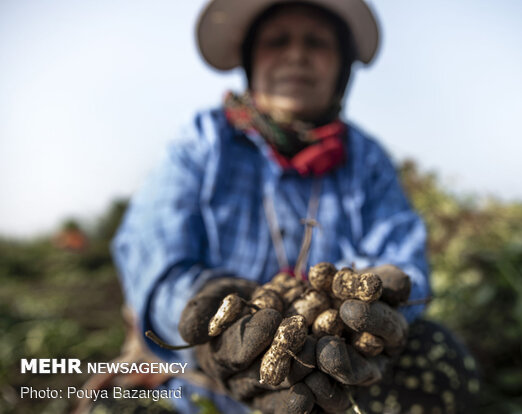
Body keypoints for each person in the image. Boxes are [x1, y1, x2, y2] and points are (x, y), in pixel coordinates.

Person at [111, 1, 476, 413]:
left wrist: (386, 304)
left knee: (438, 359)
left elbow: (402, 256)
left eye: (317, 42)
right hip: (199, 386)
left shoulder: (367, 159)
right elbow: (152, 257)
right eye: (277, 40)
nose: (296, 55)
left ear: (341, 67)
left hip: (333, 381)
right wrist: (206, 315)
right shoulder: (203, 142)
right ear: (250, 59)